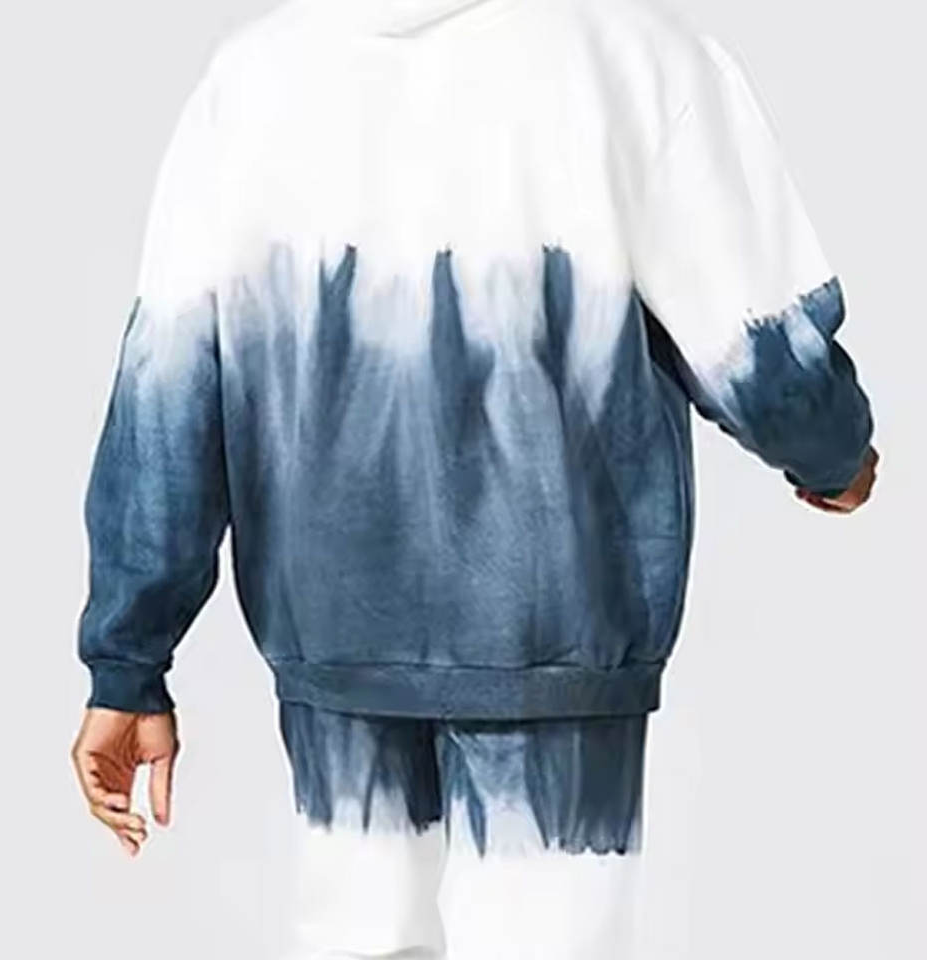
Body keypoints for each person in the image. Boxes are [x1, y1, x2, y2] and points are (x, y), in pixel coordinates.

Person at [70, 0, 878, 956]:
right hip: (560, 642)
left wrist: (128, 663)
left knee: (357, 936)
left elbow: (165, 386)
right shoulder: (629, 54)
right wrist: (834, 454)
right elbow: (755, 337)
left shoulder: (249, 80)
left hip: (335, 646)